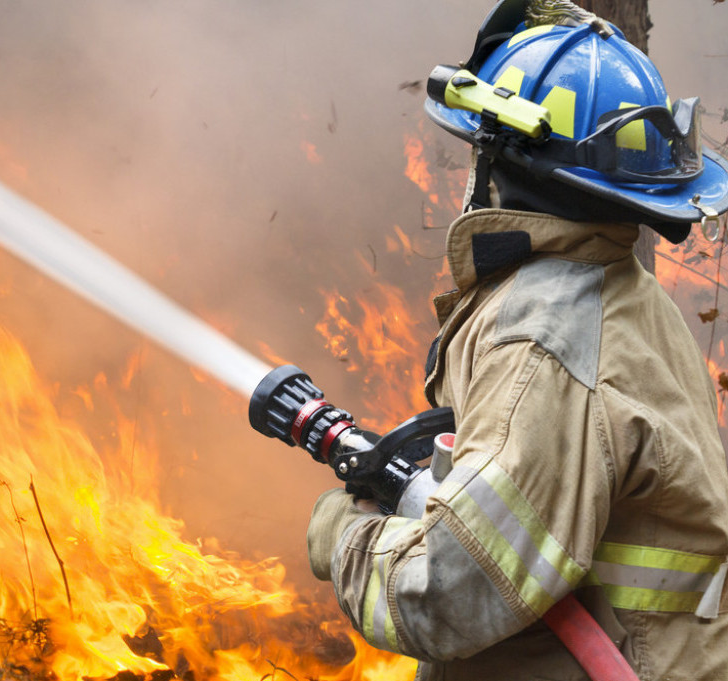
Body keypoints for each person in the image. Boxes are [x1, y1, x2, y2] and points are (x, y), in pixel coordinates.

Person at [305, 1, 728, 679]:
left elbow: (447, 593)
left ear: (501, 163)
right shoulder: (615, 288)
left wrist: (339, 533)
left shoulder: (544, 342)